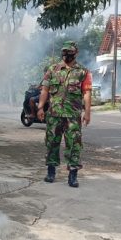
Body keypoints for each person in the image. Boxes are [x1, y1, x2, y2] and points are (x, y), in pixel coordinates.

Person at [37, 40, 92, 188]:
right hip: (54, 115)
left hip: (72, 116)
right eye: (64, 52)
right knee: (51, 143)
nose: (66, 55)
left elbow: (87, 93)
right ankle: (51, 172)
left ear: (76, 53)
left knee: (74, 145)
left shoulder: (83, 72)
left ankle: (73, 176)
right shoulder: (53, 69)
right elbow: (45, 90)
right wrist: (40, 107)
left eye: (69, 52)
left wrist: (87, 112)